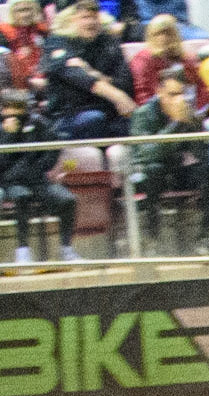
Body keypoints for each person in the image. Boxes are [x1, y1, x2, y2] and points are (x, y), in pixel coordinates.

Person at [129, 66, 209, 252]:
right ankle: (152, 240)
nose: (178, 99)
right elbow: (146, 154)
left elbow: (201, 153)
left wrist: (192, 125)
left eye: (181, 94)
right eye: (172, 94)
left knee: (208, 171)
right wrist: (175, 125)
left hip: (179, 169)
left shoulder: (190, 113)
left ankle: (205, 240)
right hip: (153, 170)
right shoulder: (143, 114)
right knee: (153, 170)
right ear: (159, 91)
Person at [0, 86, 78, 263]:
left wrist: (37, 168)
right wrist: (7, 135)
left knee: (67, 200)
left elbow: (53, 149)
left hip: (37, 180)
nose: (17, 113)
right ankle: (23, 251)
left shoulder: (37, 123)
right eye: (11, 108)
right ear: (4, 109)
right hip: (10, 182)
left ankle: (66, 249)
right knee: (22, 197)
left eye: (20, 108)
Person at [40, 0, 134, 140]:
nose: (91, 22)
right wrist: (116, 95)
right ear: (72, 20)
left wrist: (93, 73)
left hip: (109, 111)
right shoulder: (57, 42)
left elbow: (126, 82)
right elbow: (76, 75)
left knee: (137, 121)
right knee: (95, 119)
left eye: (94, 17)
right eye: (84, 18)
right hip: (69, 115)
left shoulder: (109, 42)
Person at [129, 11, 206, 106]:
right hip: (158, 114)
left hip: (192, 112)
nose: (163, 38)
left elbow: (202, 89)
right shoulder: (142, 61)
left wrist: (198, 112)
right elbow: (143, 96)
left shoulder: (187, 59)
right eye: (158, 34)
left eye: (168, 33)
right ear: (150, 36)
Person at [0, 0, 49, 90]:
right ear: (12, 13)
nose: (25, 15)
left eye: (28, 9)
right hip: (14, 84)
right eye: (20, 10)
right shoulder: (3, 32)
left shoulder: (43, 30)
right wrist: (28, 80)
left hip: (44, 78)